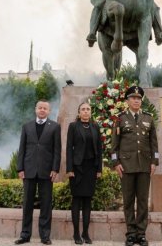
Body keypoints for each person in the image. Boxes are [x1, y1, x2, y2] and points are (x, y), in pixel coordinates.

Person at [110, 86, 159, 246]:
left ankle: (141, 233)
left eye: (139, 98)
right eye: (133, 98)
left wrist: (154, 161)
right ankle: (131, 233)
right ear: (128, 101)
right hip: (126, 165)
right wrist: (116, 162)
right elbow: (114, 145)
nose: (136, 100)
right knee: (129, 201)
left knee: (143, 201)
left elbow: (154, 144)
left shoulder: (148, 118)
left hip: (145, 165)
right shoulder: (120, 119)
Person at [15, 100, 61, 245]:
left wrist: (55, 169)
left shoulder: (55, 127)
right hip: (28, 170)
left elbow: (57, 150)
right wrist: (20, 168)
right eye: (40, 108)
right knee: (27, 204)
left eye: (45, 108)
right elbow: (22, 148)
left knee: (46, 205)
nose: (42, 110)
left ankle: (45, 236)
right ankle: (25, 235)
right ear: (36, 109)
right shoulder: (26, 126)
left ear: (49, 111)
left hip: (47, 171)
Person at [66, 102, 103, 244]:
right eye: (83, 109)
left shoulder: (95, 127)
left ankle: (85, 233)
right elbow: (69, 148)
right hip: (77, 168)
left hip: (91, 169)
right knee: (76, 200)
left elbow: (99, 150)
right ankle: (76, 234)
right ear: (79, 112)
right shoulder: (73, 126)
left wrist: (99, 169)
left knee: (88, 201)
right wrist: (69, 169)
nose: (86, 111)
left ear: (91, 112)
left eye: (88, 109)